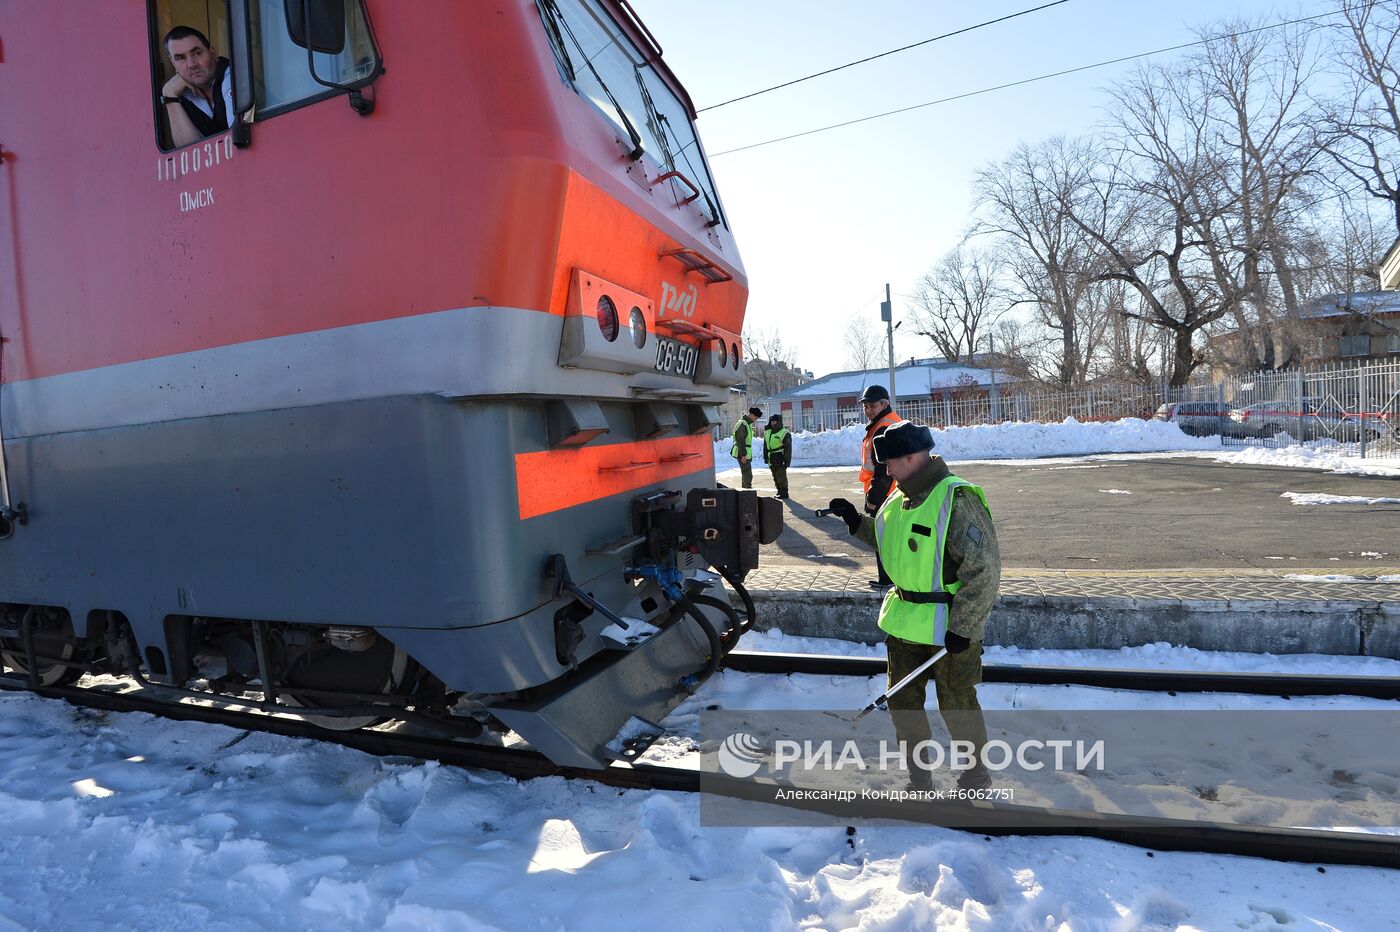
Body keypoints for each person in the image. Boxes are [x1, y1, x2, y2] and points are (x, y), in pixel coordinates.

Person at [826, 421, 1000, 791]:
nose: (885, 470)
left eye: (889, 463)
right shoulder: (899, 497)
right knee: (904, 704)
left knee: (957, 704)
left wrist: (965, 627)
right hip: (904, 622)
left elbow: (984, 570)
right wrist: (857, 522)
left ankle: (976, 776)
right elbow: (893, 540)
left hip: (947, 627)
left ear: (911, 457)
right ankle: (919, 778)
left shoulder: (956, 498)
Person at [857, 385, 903, 589]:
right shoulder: (889, 422)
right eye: (865, 406)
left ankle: (887, 580)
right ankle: (893, 579)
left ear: (884, 403)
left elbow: (883, 470)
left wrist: (874, 499)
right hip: (894, 490)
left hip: (885, 493)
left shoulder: (883, 427)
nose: (868, 410)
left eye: (872, 405)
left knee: (883, 537)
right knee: (893, 537)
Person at [159, 26, 234, 147]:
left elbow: (236, 142)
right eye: (180, 58)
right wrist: (169, 96)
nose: (191, 64)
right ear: (173, 64)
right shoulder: (181, 94)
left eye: (197, 53)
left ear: (212, 53)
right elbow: (188, 154)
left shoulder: (234, 76)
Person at [762, 414, 792, 499]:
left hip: (780, 457)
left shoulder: (784, 433)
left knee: (781, 476)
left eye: (774, 421)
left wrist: (787, 461)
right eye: (771, 421)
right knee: (775, 476)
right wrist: (765, 457)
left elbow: (788, 448)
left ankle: (784, 492)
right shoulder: (768, 432)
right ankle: (779, 490)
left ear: (779, 422)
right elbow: (765, 445)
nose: (773, 423)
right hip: (771, 457)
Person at [730, 407, 761, 489]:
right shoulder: (743, 424)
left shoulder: (746, 423)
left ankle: (745, 489)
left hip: (744, 452)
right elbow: (741, 440)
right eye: (756, 417)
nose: (755, 420)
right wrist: (743, 455)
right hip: (742, 452)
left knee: (746, 472)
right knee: (747, 472)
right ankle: (747, 490)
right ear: (751, 415)